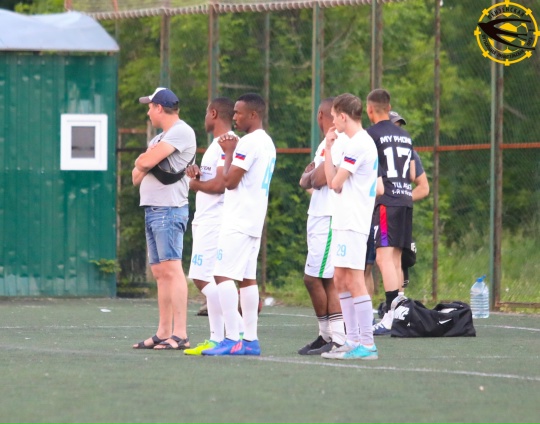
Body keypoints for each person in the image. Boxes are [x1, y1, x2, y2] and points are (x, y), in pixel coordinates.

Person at [202, 93, 276, 356]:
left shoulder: (247, 143)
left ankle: (232, 338)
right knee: (247, 279)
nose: (234, 117)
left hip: (238, 219)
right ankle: (250, 340)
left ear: (253, 115)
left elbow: (229, 182)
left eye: (238, 112)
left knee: (221, 275)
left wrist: (229, 151)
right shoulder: (267, 142)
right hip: (254, 219)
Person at [131, 87, 196, 350]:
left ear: (159, 107)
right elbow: (136, 175)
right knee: (160, 272)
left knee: (172, 269)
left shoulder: (181, 131)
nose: (148, 112)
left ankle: (180, 334)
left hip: (169, 209)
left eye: (150, 107)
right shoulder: (159, 138)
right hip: (153, 209)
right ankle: (163, 332)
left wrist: (145, 161)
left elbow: (144, 164)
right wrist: (144, 161)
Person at [183, 97, 245, 355]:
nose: (205, 118)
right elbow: (214, 178)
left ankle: (238, 331)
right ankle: (217, 338)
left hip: (215, 220)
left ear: (214, 113)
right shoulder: (217, 144)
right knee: (207, 278)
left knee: (203, 278)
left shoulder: (226, 143)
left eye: (206, 113)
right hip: (207, 218)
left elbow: (220, 185)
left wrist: (193, 184)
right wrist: (198, 175)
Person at [321, 93, 379, 360]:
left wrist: (329, 150)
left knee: (354, 280)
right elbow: (334, 182)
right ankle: (352, 339)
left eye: (334, 116)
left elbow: (334, 183)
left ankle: (366, 344)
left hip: (354, 221)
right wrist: (329, 148)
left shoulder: (359, 144)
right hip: (344, 219)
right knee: (340, 279)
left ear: (343, 116)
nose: (332, 122)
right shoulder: (355, 143)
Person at [297, 98, 347, 355]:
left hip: (328, 216)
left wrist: (308, 177)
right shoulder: (326, 142)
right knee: (322, 278)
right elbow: (311, 179)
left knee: (317, 278)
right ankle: (326, 336)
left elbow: (316, 178)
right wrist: (310, 177)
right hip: (318, 214)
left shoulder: (337, 140)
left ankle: (336, 337)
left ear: (320, 115)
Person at [365, 89, 416, 336]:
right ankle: (398, 315)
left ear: (369, 110)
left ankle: (388, 317)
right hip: (406, 199)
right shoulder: (405, 136)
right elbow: (412, 173)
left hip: (387, 201)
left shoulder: (370, 135)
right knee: (395, 260)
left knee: (384, 259)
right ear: (389, 107)